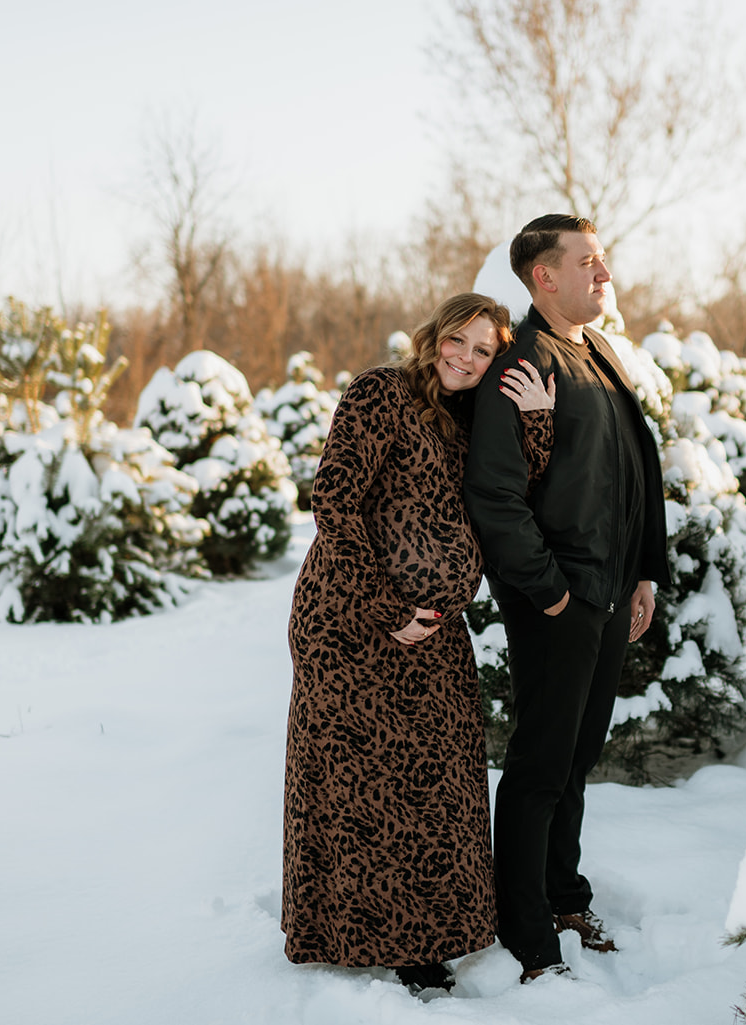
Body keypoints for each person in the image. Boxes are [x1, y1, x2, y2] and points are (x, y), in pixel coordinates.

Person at [281, 292, 557, 995]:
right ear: (435, 336)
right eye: (456, 341)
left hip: (431, 627)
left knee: (441, 778)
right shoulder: (383, 393)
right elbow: (334, 502)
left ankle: (430, 934)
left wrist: (535, 420)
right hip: (351, 620)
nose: (465, 358)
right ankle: (380, 941)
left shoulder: (474, 419)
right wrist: (386, 606)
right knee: (363, 785)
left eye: (483, 350)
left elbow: (511, 493)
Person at [463, 214, 671, 980]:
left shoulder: (597, 354)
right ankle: (526, 929)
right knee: (542, 762)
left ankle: (562, 892)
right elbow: (495, 494)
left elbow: (632, 470)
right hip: (560, 597)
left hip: (610, 590)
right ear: (544, 276)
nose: (604, 274)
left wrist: (642, 572)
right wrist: (549, 591)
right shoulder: (521, 364)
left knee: (578, 756)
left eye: (603, 260)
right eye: (588, 262)